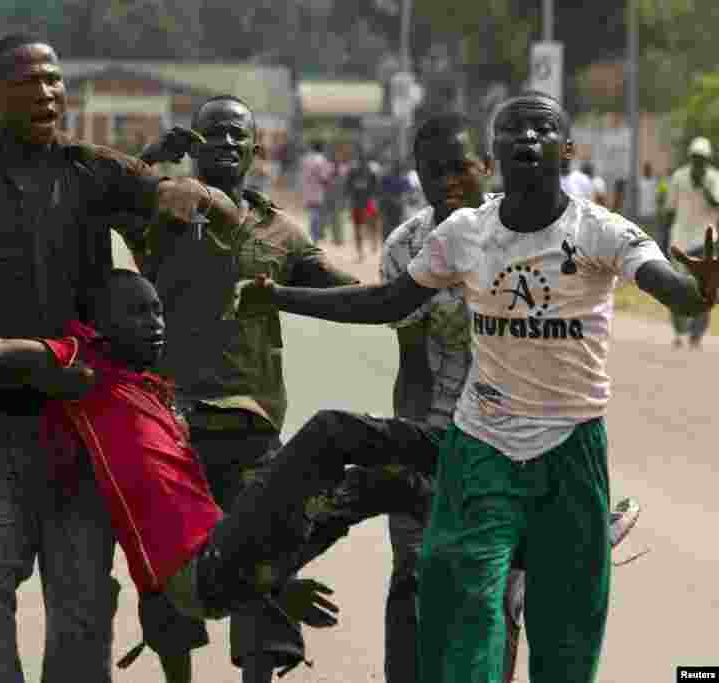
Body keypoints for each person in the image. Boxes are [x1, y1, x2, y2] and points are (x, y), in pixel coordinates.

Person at [233, 92, 718, 683]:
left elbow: (667, 283)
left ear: (566, 150)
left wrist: (699, 292)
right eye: (513, 130)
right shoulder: (462, 235)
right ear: (497, 153)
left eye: (542, 129)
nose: (527, 139)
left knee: (568, 631)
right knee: (463, 608)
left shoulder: (602, 231)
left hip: (572, 450)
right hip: (480, 448)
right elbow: (384, 302)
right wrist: (280, 297)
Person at [0, 33, 245, 683]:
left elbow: (208, 206)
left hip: (88, 430)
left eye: (55, 79)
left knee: (83, 603)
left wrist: (186, 194)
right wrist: (34, 364)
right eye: (27, 81)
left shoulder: (95, 169)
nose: (47, 93)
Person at [0, 270, 349, 672]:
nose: (156, 323)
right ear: (102, 326)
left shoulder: (157, 395)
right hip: (188, 568)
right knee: (333, 440)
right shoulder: (85, 369)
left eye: (159, 312)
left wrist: (272, 584)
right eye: (139, 314)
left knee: (347, 476)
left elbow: (193, 509)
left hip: (208, 556)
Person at [130, 96, 359, 683]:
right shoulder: (165, 209)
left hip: (253, 423)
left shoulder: (281, 233)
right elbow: (112, 195)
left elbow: (343, 291)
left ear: (258, 150)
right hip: (171, 422)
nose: (226, 144)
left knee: (265, 551)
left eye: (238, 136)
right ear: (194, 142)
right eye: (214, 135)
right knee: (169, 564)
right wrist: (154, 157)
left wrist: (409, 294)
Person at [663, 137, 719, 349]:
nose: (698, 163)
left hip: (706, 241)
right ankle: (679, 329)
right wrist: (662, 238)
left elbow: (717, 204)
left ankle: (696, 334)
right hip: (680, 240)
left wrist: (704, 186)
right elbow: (669, 209)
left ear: (708, 160)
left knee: (706, 290)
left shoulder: (714, 178)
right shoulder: (678, 177)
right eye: (695, 159)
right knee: (678, 287)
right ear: (690, 158)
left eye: (702, 159)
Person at [344, 145, 382, 260]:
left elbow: (376, 187)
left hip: (367, 202)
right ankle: (361, 251)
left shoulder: (370, 171)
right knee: (359, 227)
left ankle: (372, 242)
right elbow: (348, 187)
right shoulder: (354, 171)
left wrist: (375, 199)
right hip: (359, 203)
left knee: (370, 224)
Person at [300, 140, 333, 242]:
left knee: (312, 214)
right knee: (317, 214)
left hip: (308, 189)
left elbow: (303, 175)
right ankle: (315, 237)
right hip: (318, 190)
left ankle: (312, 236)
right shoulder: (322, 160)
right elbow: (324, 177)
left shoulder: (306, 159)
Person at [638, 162, 659, 229]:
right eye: (645, 169)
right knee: (643, 231)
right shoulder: (640, 181)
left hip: (653, 211)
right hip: (643, 211)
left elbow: (658, 194)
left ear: (650, 170)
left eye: (648, 169)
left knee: (652, 230)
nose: (647, 171)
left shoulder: (655, 181)